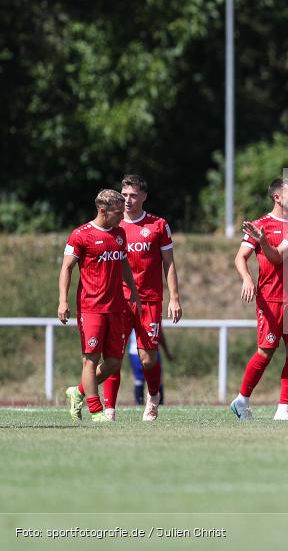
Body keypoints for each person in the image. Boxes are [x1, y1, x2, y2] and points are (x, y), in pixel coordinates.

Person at [101, 174, 182, 421]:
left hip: (149, 300)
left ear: (144, 197)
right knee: (113, 357)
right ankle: (110, 409)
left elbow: (169, 263)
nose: (127, 200)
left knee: (148, 360)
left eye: (133, 195)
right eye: (124, 195)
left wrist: (174, 298)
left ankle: (153, 396)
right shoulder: (112, 226)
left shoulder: (158, 225)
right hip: (119, 300)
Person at [231, 179, 288, 421]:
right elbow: (240, 258)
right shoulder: (260, 225)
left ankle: (286, 410)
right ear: (278, 197)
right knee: (265, 352)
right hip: (271, 298)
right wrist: (246, 278)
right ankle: (242, 400)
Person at [60, 189, 141, 423]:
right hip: (90, 307)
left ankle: (78, 391)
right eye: (118, 212)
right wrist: (63, 300)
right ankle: (96, 411)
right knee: (90, 359)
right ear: (103, 210)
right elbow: (66, 268)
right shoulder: (80, 235)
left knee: (115, 362)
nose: (121, 216)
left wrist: (133, 291)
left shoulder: (120, 234)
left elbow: (124, 263)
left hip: (116, 307)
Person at [128, 329, 174, 405]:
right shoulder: (131, 316)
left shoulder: (155, 317)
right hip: (136, 351)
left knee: (156, 379)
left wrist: (166, 352)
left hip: (152, 350)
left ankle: (157, 405)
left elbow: (159, 332)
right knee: (139, 380)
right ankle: (140, 405)